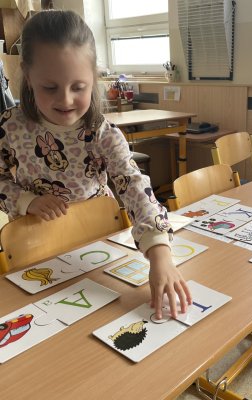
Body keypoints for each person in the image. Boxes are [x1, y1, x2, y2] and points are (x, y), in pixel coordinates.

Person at [0, 9, 191, 319]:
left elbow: (134, 186)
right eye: (50, 87)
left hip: (97, 240)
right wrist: (26, 200)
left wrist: (160, 254)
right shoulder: (10, 126)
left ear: (93, 79)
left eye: (78, 87)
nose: (65, 99)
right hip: (34, 244)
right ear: (28, 75)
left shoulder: (102, 133)